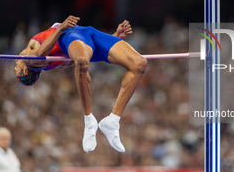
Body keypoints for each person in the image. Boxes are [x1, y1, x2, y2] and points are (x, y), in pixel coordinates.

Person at [14, 16, 147, 153]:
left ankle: (112, 121)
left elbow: (87, 51)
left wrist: (113, 37)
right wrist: (60, 28)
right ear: (24, 71)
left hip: (87, 34)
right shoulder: (30, 61)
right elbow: (40, 55)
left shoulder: (58, 61)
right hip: (69, 35)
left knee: (139, 63)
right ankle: (89, 121)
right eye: (16, 67)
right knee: (82, 61)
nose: (16, 62)